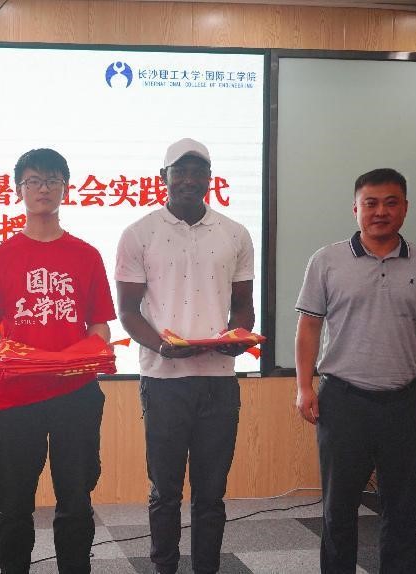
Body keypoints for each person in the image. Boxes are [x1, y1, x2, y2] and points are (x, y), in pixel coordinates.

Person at [294, 168, 416, 573]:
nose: (381, 211)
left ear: (405, 208)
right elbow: (309, 326)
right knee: (338, 510)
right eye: (371, 203)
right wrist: (303, 386)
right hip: (343, 401)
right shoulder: (326, 261)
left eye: (390, 202)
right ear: (356, 209)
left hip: (406, 402)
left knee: (403, 512)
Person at [0, 148, 116, 574]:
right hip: (18, 395)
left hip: (76, 393)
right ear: (19, 190)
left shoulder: (86, 255)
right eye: (33, 181)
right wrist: (6, 353)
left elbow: (100, 326)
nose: (43, 188)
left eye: (52, 180)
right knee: (14, 501)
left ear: (65, 189)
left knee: (76, 498)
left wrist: (85, 353)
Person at [115, 138, 255, 574]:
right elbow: (127, 312)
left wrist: (238, 335)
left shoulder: (235, 233)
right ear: (164, 177)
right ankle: (165, 567)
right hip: (163, 383)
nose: (190, 180)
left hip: (219, 381)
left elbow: (244, 306)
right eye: (181, 171)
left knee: (211, 494)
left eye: (199, 172)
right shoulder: (139, 233)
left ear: (210, 179)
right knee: (165, 492)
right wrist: (160, 346)